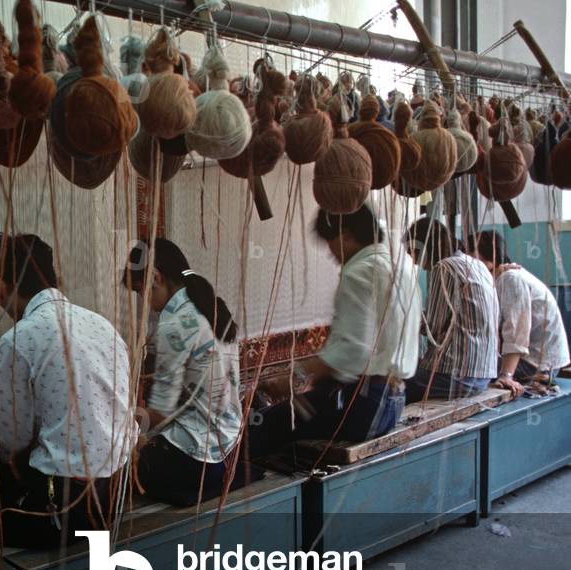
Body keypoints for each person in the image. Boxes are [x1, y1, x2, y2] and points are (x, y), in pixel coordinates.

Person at [0, 233, 136, 547]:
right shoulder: (103, 326)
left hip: (65, 509)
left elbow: (10, 440)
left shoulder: (18, 340)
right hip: (116, 495)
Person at [249, 204, 421, 456]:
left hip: (365, 407)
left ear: (347, 235)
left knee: (264, 425)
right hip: (393, 402)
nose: (330, 253)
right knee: (295, 411)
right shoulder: (401, 266)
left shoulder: (359, 271)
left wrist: (290, 377)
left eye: (330, 241)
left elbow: (353, 352)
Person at [123, 239, 259, 506]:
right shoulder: (213, 307)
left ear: (157, 278)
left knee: (117, 469)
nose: (145, 303)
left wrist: (125, 421)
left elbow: (160, 414)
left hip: (196, 464)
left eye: (141, 291)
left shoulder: (173, 322)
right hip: (231, 450)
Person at [405, 217, 500, 400]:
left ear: (423, 248)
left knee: (387, 381)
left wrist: (402, 322)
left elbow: (433, 327)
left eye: (414, 254)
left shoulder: (445, 267)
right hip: (483, 374)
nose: (415, 262)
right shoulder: (476, 264)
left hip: (454, 377)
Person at [471, 230, 570, 395]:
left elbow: (517, 332)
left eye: (472, 257)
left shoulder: (511, 279)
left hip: (538, 364)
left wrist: (506, 375)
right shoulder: (500, 278)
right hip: (535, 360)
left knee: (465, 369)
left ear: (490, 258)